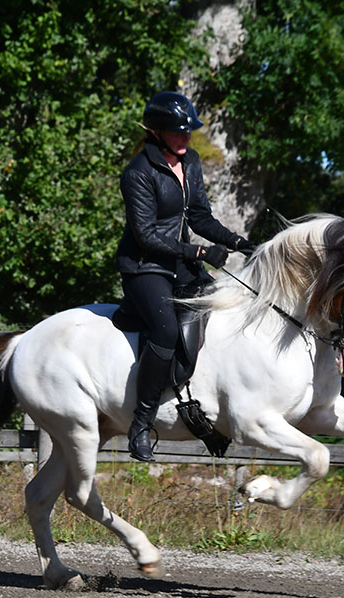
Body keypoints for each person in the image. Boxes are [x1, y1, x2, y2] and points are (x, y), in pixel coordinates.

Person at [116, 91, 254, 462]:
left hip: (177, 260)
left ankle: (202, 407)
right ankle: (141, 425)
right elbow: (145, 235)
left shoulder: (190, 161)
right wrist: (198, 252)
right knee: (164, 332)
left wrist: (240, 243)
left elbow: (199, 217)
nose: (187, 139)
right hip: (144, 266)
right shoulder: (137, 173)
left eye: (188, 132)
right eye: (179, 133)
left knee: (222, 309)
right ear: (156, 133)